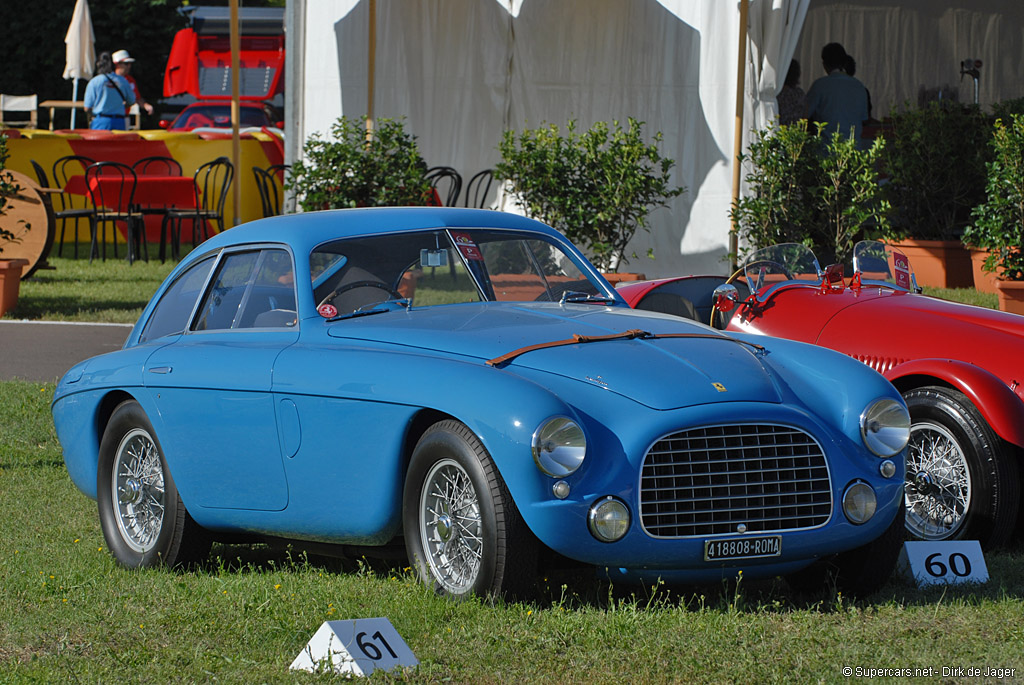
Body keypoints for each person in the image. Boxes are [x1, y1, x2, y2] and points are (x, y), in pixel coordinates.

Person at [805, 42, 869, 143]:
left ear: (824, 64)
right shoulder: (859, 86)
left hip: (826, 151)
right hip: (853, 150)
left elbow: (804, 114)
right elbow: (864, 118)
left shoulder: (820, 85)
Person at [83, 51, 136, 130]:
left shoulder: (94, 82)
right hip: (119, 121)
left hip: (100, 121)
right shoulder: (123, 80)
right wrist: (119, 107)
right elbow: (131, 101)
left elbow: (87, 108)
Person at [112, 49, 154, 118]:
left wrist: (146, 105)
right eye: (126, 63)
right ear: (117, 64)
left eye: (130, 63)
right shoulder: (109, 80)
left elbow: (137, 98)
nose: (129, 66)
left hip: (124, 117)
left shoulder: (130, 80)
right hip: (110, 116)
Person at [777, 59, 806, 126]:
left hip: (779, 132)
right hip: (796, 133)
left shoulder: (777, 94)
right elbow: (805, 115)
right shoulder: (800, 93)